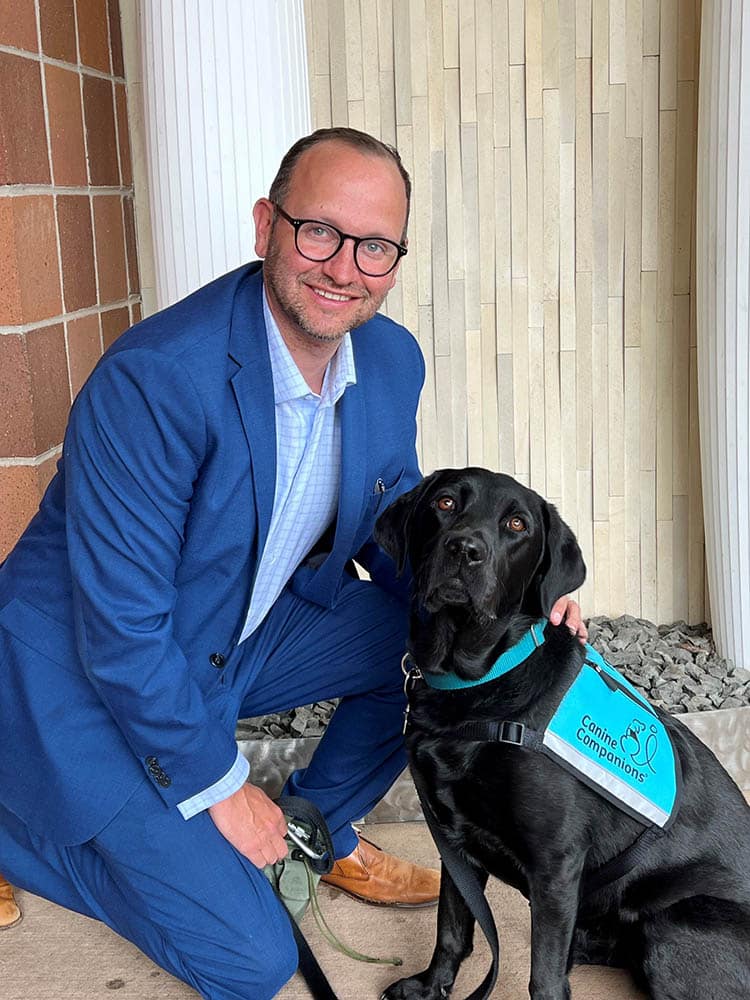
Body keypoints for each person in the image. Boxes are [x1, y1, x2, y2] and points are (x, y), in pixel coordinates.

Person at [0, 127, 583, 999]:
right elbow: (121, 633)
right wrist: (223, 786)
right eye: (319, 232)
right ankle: (21, 816)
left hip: (229, 639)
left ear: (396, 258)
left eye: (375, 246)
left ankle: (315, 831)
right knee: (253, 960)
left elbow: (400, 525)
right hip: (84, 680)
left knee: (422, 638)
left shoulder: (390, 360)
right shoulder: (156, 380)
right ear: (267, 225)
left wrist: (527, 611)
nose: (344, 267)